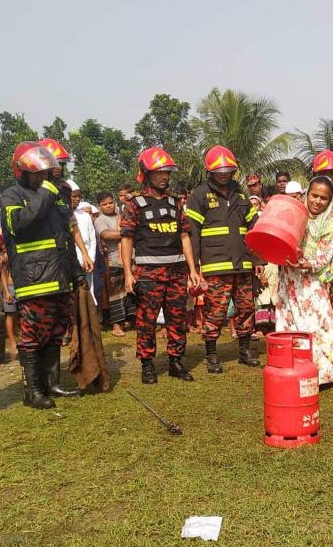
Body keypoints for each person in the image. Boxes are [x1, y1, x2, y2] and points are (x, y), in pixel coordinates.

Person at [1, 141, 80, 409]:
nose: (43, 178)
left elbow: (65, 237)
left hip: (60, 276)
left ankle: (51, 383)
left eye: (46, 173)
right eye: (38, 173)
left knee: (56, 332)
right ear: (22, 172)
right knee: (33, 336)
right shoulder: (11, 196)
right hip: (33, 279)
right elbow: (21, 225)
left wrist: (76, 272)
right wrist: (47, 192)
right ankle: (32, 391)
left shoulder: (56, 194)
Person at [121, 147, 201, 383]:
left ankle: (176, 361)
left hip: (177, 273)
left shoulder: (175, 203)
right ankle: (147, 364)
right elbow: (126, 239)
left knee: (177, 318)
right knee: (147, 321)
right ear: (146, 174)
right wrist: (128, 274)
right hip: (148, 274)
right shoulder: (134, 204)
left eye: (167, 172)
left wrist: (193, 270)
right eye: (160, 172)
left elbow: (185, 237)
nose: (165, 176)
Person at [275, 176, 333, 387]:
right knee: (289, 327)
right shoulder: (292, 215)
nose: (318, 201)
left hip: (312, 284)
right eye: (314, 195)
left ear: (329, 201)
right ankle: (302, 372)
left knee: (321, 328)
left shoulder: (330, 225)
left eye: (323, 198)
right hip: (288, 281)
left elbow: (324, 257)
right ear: (306, 194)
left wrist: (305, 264)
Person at [186, 145, 260, 373]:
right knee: (215, 312)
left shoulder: (241, 195)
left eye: (228, 171)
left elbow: (255, 228)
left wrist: (258, 261)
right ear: (210, 171)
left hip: (243, 264)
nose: (224, 175)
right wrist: (194, 267)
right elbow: (192, 233)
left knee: (246, 308)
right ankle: (211, 355)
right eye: (219, 171)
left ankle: (245, 351)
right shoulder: (199, 195)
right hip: (215, 265)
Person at [94, 191, 129, 337]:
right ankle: (117, 325)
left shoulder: (123, 215)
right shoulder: (100, 220)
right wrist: (130, 231)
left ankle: (133, 321)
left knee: (133, 292)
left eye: (110, 202)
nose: (109, 206)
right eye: (105, 204)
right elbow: (106, 235)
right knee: (117, 294)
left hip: (131, 257)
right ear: (99, 206)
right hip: (114, 260)